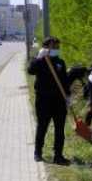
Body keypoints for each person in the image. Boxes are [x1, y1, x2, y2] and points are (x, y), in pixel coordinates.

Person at [28, 36, 73, 165]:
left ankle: (58, 155)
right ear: (46, 48)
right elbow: (30, 71)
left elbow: (64, 81)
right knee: (42, 126)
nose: (57, 49)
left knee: (60, 129)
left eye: (58, 47)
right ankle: (38, 153)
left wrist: (68, 96)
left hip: (59, 101)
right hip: (43, 100)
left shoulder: (60, 62)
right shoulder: (40, 61)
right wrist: (38, 58)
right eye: (54, 47)